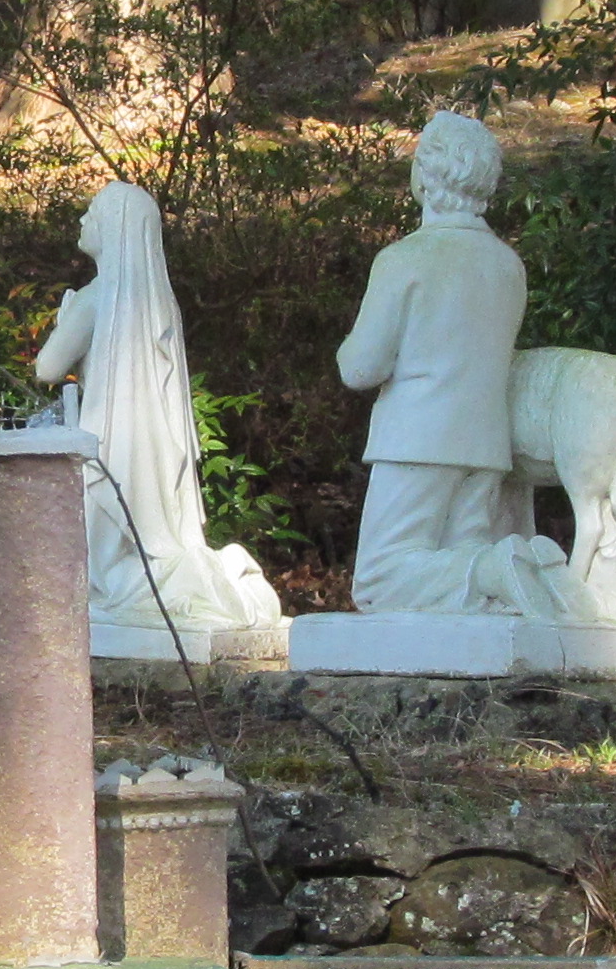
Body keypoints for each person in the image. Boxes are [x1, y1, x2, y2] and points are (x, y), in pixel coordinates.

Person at [33, 182, 284, 655]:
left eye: (91, 214)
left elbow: (47, 368)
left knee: (102, 562)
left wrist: (65, 315)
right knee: (139, 541)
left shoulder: (95, 296)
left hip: (110, 440)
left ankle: (121, 592)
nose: (84, 222)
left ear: (112, 228)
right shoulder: (159, 299)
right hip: (156, 443)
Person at [336, 111, 547, 613]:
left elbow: (360, 369)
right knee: (456, 584)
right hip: (486, 443)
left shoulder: (406, 258)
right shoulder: (507, 265)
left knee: (380, 581)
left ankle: (496, 567)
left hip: (417, 439)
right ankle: (499, 566)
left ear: (425, 177)